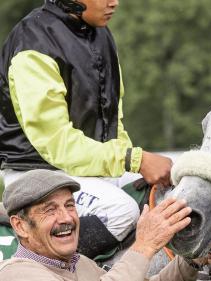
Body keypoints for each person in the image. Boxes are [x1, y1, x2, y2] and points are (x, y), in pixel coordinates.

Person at [0, 0, 174, 257]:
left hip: (85, 170)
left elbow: (114, 122)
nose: (114, 2)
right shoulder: (33, 43)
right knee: (121, 211)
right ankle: (51, 270)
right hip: (37, 174)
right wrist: (135, 159)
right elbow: (59, 145)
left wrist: (134, 160)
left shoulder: (99, 33)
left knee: (166, 192)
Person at [0, 169, 199, 280]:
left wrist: (192, 261)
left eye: (70, 206)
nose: (66, 218)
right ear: (20, 226)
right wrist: (144, 246)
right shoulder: (15, 273)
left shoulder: (80, 263)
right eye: (50, 210)